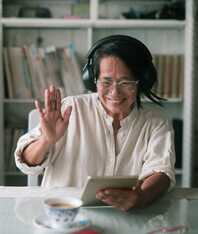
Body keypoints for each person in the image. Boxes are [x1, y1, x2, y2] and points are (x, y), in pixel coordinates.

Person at [14, 35, 176, 211]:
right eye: (106, 82)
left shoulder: (157, 123)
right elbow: (27, 164)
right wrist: (46, 140)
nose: (115, 92)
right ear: (92, 79)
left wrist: (142, 197)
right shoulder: (70, 109)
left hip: (123, 218)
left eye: (126, 82)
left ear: (141, 81)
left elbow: (161, 171)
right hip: (65, 217)